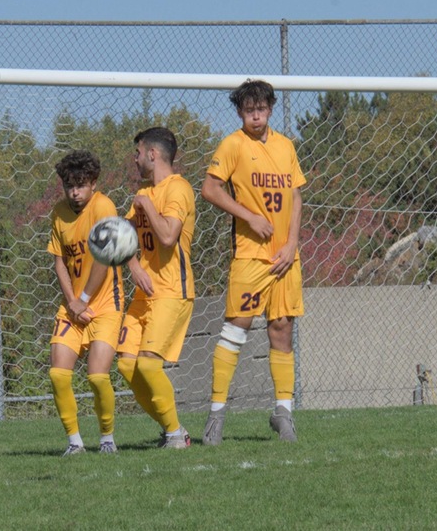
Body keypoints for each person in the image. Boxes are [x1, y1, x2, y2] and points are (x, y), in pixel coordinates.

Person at [200, 79, 306, 445]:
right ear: (240, 112)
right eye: (249, 110)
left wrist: (292, 243)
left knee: (282, 329)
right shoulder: (232, 145)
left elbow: (295, 195)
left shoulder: (285, 146)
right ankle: (216, 415)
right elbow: (210, 189)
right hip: (250, 255)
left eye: (261, 109)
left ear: (270, 109)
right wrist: (248, 216)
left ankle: (284, 413)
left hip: (285, 257)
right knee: (236, 328)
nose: (255, 115)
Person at [116, 127, 195, 449]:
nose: (134, 159)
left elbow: (167, 237)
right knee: (125, 364)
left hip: (173, 291)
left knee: (148, 364)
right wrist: (133, 265)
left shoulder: (178, 189)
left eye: (137, 153)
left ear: (152, 153)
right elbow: (120, 237)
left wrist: (146, 206)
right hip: (144, 294)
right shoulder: (146, 192)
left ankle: (175, 434)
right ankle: (172, 430)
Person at [46, 150, 124, 456]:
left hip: (104, 305)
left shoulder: (104, 206)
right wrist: (72, 302)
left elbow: (104, 259)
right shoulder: (59, 212)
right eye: (69, 185)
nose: (74, 191)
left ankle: (107, 438)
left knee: (96, 376)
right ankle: (75, 443)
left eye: (80, 184)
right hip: (73, 306)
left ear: (93, 183)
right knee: (58, 374)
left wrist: (84, 300)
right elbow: (59, 261)